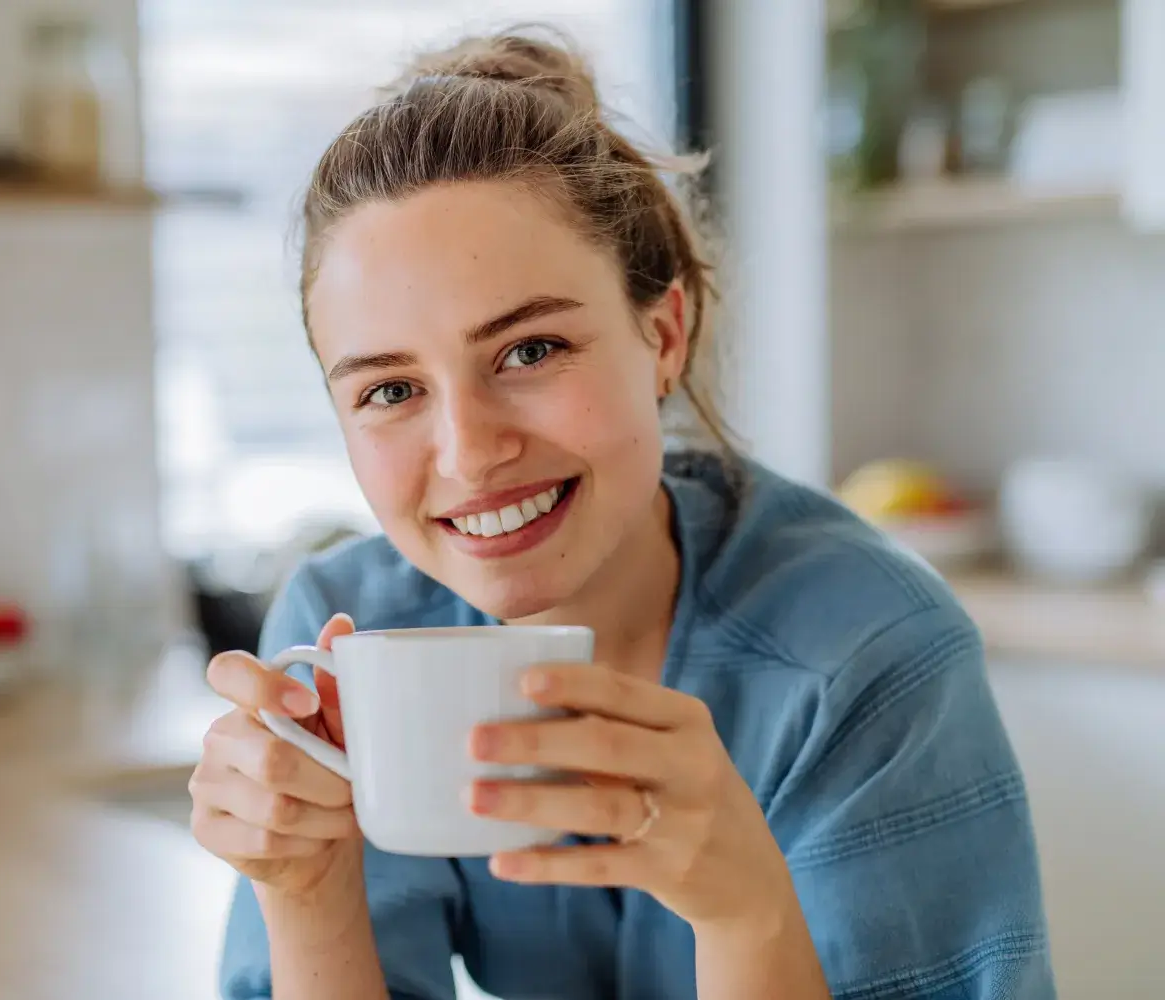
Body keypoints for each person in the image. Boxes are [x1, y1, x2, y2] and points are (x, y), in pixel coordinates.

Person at [190, 30, 1056, 1000]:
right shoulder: (349, 639)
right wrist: (307, 894)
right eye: (391, 390)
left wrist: (744, 913)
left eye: (530, 350)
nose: (470, 452)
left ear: (663, 336)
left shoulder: (863, 657)